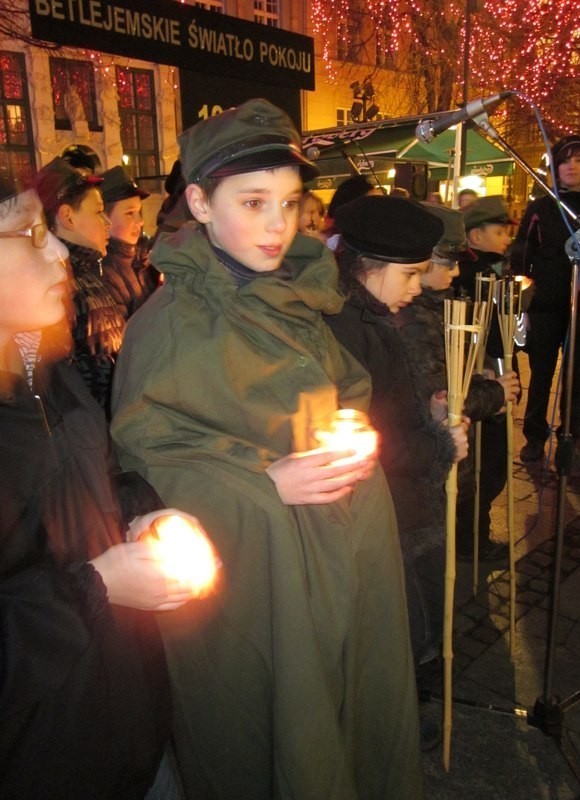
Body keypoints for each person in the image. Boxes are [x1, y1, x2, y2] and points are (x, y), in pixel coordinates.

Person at [111, 98, 424, 800]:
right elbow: (147, 462)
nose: (278, 225)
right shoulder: (166, 325)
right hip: (260, 580)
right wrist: (262, 482)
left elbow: (341, 390)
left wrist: (353, 433)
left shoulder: (299, 295)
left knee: (355, 723)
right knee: (278, 735)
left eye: (290, 202)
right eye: (253, 203)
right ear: (198, 201)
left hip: (343, 547)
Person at [0, 174, 202, 799]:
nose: (57, 251)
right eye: (28, 234)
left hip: (130, 731)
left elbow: (102, 476)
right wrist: (95, 587)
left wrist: (148, 517)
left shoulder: (41, 366)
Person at [324, 195, 469, 749]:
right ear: (371, 267)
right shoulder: (347, 328)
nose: (416, 286)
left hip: (401, 500)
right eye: (409, 274)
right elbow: (363, 437)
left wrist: (430, 415)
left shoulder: (370, 314)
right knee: (398, 627)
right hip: (381, 506)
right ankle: (390, 728)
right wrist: (435, 446)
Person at [511, 135, 580, 462]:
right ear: (555, 166)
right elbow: (522, 251)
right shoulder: (542, 205)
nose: (572, 166)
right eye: (565, 160)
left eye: (579, 159)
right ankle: (534, 434)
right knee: (542, 371)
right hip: (546, 301)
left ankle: (570, 435)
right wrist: (524, 290)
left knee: (575, 375)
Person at [452, 196, 521, 559]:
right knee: (483, 467)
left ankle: (474, 535)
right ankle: (471, 539)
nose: (507, 238)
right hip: (481, 379)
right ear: (475, 236)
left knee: (491, 466)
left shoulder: (497, 271)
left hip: (493, 376)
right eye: (499, 231)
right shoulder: (471, 277)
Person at [34, 156, 124, 416]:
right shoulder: (60, 287)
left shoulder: (88, 275)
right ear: (67, 217)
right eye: (98, 212)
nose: (107, 223)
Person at [100, 165, 159, 320]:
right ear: (104, 218)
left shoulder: (143, 260)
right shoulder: (104, 273)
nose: (140, 221)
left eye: (138, 212)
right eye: (129, 213)